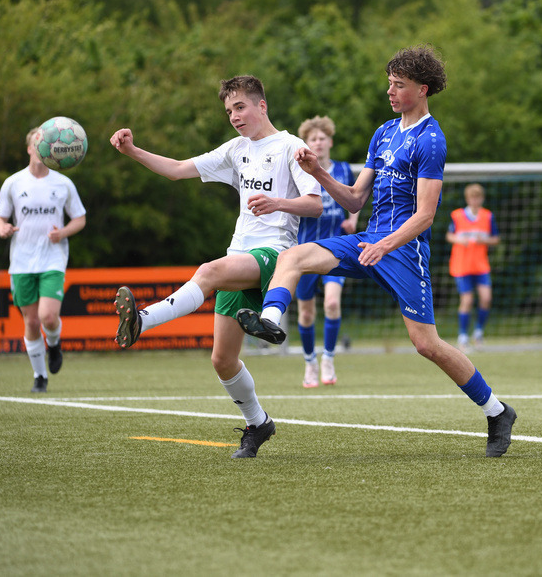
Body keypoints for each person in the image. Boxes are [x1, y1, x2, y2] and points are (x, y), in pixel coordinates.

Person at [238, 45, 518, 457]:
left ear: (422, 90)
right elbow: (353, 200)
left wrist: (385, 244)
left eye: (398, 85)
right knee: (293, 256)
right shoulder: (384, 132)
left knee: (426, 345)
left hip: (403, 252)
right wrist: (318, 173)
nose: (389, 91)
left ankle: (497, 412)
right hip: (369, 241)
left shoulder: (431, 140)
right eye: (389, 83)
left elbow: (424, 216)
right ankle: (270, 322)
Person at [109, 75, 322, 459]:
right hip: (239, 256)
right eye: (228, 111)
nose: (234, 116)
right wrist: (134, 152)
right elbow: (176, 169)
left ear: (262, 106)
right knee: (222, 360)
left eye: (240, 107)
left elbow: (315, 203)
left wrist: (278, 204)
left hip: (276, 254)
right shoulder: (236, 150)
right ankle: (259, 424)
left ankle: (142, 319)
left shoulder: (292, 147)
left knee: (207, 271)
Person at [0, 127, 87, 393]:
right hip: (22, 262)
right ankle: (39, 376)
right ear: (29, 148)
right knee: (31, 322)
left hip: (52, 259)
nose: (41, 146)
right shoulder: (13, 183)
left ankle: (54, 344)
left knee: (47, 317)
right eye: (37, 142)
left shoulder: (62, 183)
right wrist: (1, 228)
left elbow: (79, 218)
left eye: (46, 143)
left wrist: (63, 232)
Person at [294, 115, 359, 388]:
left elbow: (355, 200)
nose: (318, 143)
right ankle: (309, 362)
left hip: (336, 248)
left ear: (330, 141)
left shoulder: (343, 169)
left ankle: (329, 358)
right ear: (306, 144)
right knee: (306, 313)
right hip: (306, 249)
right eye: (312, 139)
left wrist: (352, 221)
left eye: (322, 138)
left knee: (332, 303)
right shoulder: (300, 170)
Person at [446, 183, 499, 350]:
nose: (475, 200)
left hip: (481, 266)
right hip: (462, 266)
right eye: (472, 197)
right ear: (467, 199)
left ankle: (478, 333)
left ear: (482, 199)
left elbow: (495, 239)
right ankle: (462, 336)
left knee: (486, 298)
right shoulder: (457, 216)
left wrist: (484, 240)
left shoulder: (487, 216)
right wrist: (459, 240)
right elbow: (449, 235)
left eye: (478, 197)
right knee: (467, 300)